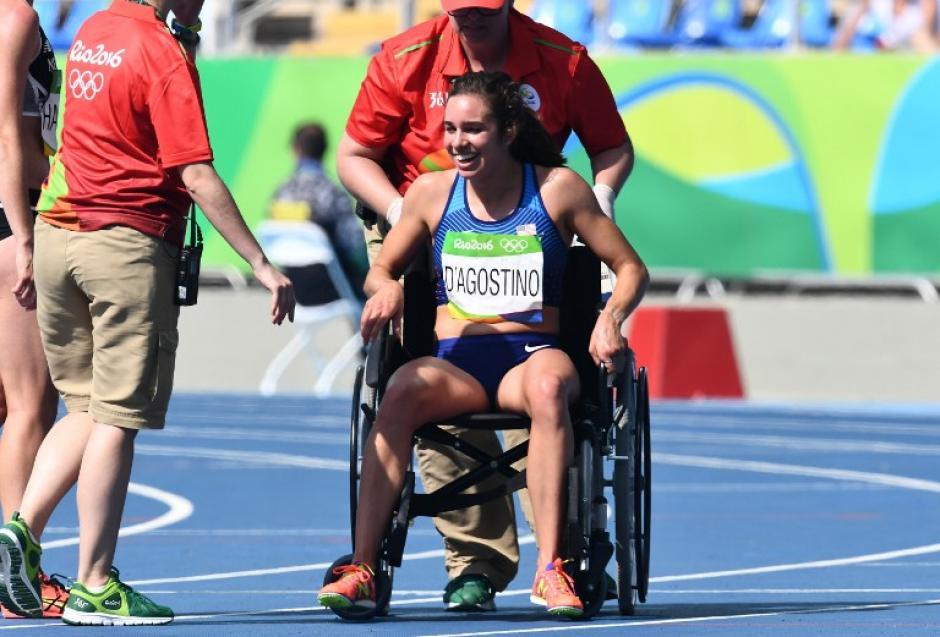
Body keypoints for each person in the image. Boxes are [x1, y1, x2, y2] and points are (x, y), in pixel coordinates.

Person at [0, 0, 295, 626]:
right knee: (118, 414)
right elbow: (195, 170)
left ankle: (20, 529)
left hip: (59, 231)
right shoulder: (160, 53)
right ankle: (95, 581)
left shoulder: (95, 30)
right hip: (125, 240)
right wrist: (260, 264)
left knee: (81, 404)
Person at [337, 0, 634, 610]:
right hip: (447, 325)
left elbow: (627, 251)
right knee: (399, 390)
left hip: (531, 353)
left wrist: (606, 312)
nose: (457, 143)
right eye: (450, 131)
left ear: (507, 130)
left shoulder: (560, 129)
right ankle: (380, 566)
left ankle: (556, 562)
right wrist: (392, 269)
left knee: (553, 390)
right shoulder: (420, 142)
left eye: (471, 131)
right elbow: (365, 196)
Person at [0, 0, 69, 619]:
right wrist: (23, 235)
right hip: (11, 214)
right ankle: (19, 577)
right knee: (31, 406)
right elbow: (6, 130)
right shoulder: (14, 17)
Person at [269, 122, 368, 301]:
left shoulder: (281, 192)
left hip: (290, 286)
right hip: (334, 285)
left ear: (295, 149)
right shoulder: (332, 192)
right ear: (326, 149)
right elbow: (354, 244)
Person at [834, 0, 938, 51]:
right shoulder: (877, 4)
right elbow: (847, 31)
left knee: (921, 39)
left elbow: (928, 39)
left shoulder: (916, 14)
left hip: (901, 58)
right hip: (864, 54)